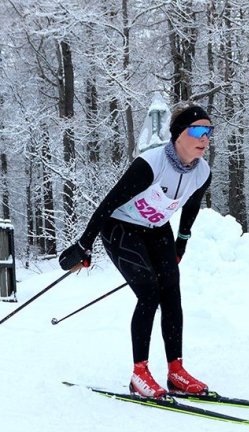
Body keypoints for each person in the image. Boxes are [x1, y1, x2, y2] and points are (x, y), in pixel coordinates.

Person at [59, 102, 213, 397]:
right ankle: (139, 373)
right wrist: (85, 244)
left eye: (209, 131)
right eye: (198, 130)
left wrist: (181, 243)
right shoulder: (151, 164)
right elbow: (109, 202)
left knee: (171, 292)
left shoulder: (202, 171)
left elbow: (191, 206)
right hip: (121, 227)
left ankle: (176, 370)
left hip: (157, 230)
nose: (205, 138)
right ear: (179, 134)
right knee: (149, 291)